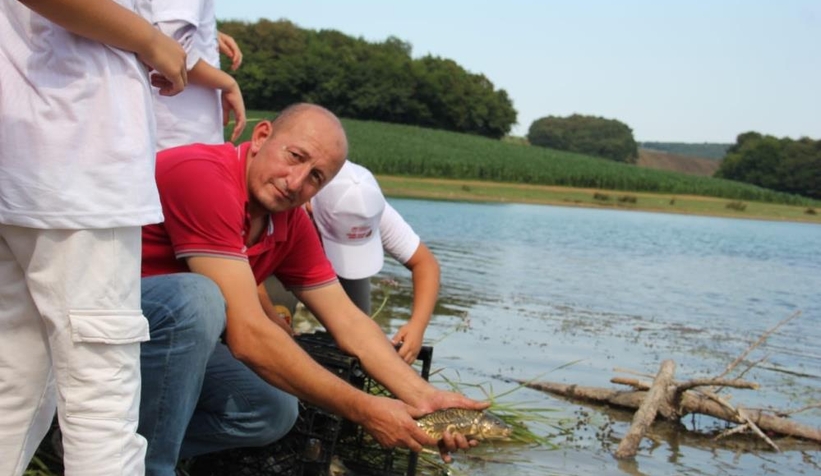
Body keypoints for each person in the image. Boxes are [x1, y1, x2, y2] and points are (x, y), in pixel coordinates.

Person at [137, 103, 487, 474]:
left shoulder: (290, 223)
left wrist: (426, 398)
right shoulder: (203, 175)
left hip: (170, 344)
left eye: (315, 177)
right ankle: (145, 467)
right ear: (261, 137)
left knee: (272, 411)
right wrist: (365, 409)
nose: (295, 182)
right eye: (294, 157)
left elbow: (349, 321)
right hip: (109, 318)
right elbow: (249, 337)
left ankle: (109, 447)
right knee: (199, 298)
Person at [0, 1, 188, 475]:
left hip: (29, 156)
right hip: (79, 158)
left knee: (16, 385)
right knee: (101, 399)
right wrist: (150, 40)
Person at [269, 160, 441, 364]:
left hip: (323, 258)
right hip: (278, 260)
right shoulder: (285, 200)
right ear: (310, 208)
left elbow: (426, 264)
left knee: (361, 335)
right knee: (276, 319)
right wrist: (266, 314)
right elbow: (246, 269)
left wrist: (417, 326)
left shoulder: (368, 207)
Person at [137, 0, 246, 150]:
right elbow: (171, 44)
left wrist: (209, 34)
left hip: (172, 132)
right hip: (180, 135)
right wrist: (228, 84)